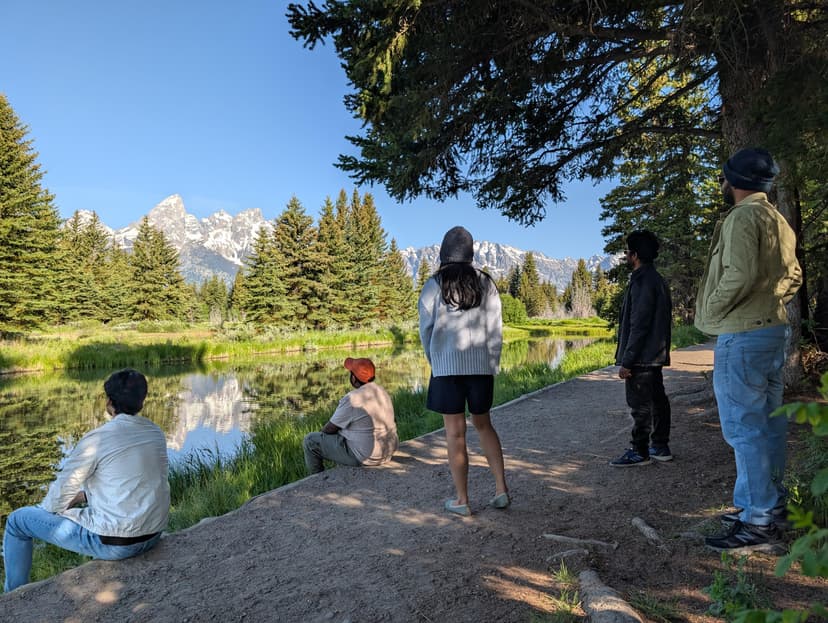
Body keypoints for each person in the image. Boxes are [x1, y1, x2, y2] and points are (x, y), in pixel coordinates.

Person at [696, 147, 802, 552]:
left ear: (734, 180)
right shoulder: (778, 220)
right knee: (769, 424)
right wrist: (770, 300)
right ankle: (768, 507)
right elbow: (793, 277)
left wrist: (714, 310)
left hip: (742, 335)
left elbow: (739, 273)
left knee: (744, 428)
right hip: (773, 332)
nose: (723, 182)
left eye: (725, 176)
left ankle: (757, 519)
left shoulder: (742, 217)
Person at [3, 369, 170, 592]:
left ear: (109, 402)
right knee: (78, 504)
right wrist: (84, 496)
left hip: (118, 545)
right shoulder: (155, 432)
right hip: (153, 533)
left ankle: (12, 594)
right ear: (142, 400)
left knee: (17, 521)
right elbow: (134, 484)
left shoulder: (99, 438)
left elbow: (61, 492)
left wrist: (49, 512)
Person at [418, 226, 508, 516]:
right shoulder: (487, 284)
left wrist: (436, 361)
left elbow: (426, 330)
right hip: (481, 368)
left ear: (443, 253)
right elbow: (495, 330)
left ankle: (462, 500)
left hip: (447, 369)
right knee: (484, 425)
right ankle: (501, 490)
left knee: (454, 433)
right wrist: (491, 363)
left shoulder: (435, 284)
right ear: (471, 254)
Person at [610, 230, 673, 467]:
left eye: (627, 252)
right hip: (654, 355)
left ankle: (639, 451)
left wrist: (627, 361)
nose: (626, 256)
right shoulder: (656, 279)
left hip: (642, 357)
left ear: (635, 255)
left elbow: (639, 324)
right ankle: (660, 445)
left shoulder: (642, 281)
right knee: (657, 400)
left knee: (639, 405)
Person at [302, 358, 398, 474]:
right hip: (388, 452)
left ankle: (316, 480)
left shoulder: (353, 398)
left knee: (310, 441)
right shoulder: (382, 392)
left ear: (354, 378)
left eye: (350, 372)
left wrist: (325, 435)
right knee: (347, 431)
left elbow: (329, 429)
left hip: (367, 457)